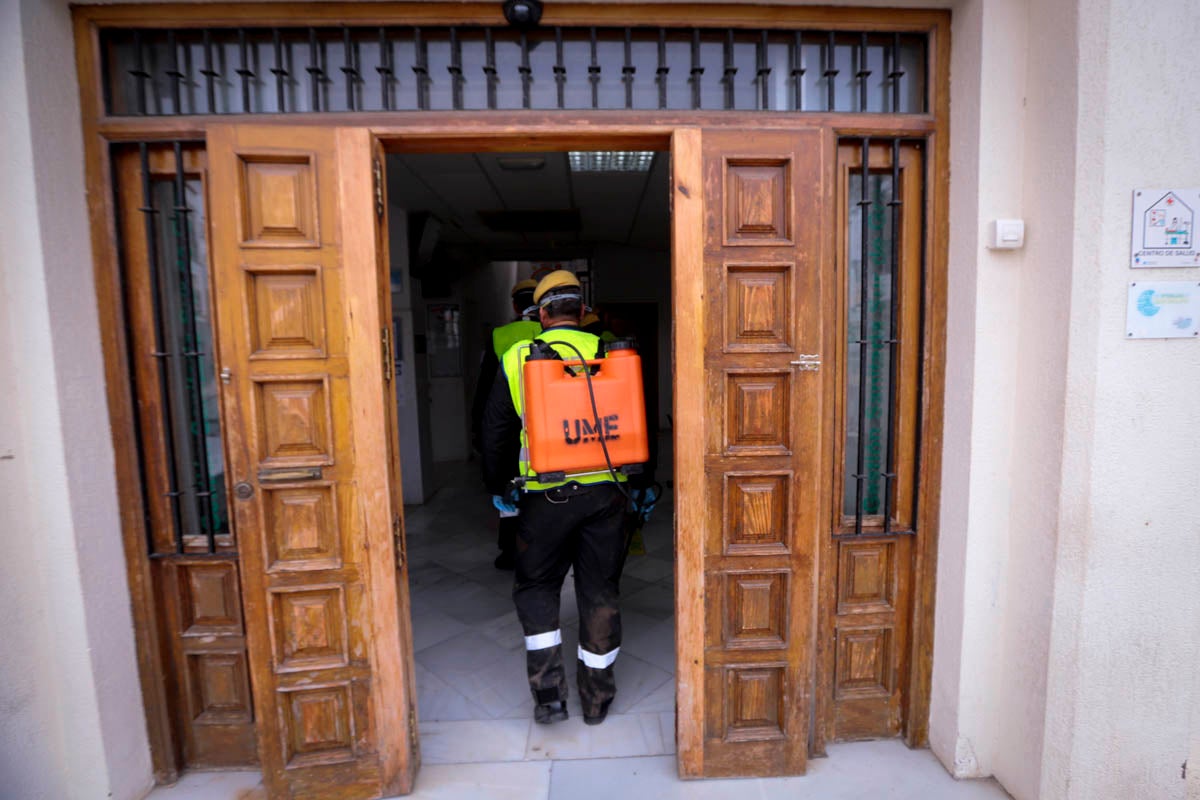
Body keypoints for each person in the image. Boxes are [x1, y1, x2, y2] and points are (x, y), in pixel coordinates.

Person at [480, 270, 627, 726]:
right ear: (582, 313)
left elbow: (496, 433)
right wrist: (641, 488)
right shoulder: (610, 352)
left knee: (538, 588)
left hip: (546, 499)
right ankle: (597, 698)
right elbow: (633, 421)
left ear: (541, 314)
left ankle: (549, 695)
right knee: (599, 591)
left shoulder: (518, 356)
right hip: (607, 495)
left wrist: (498, 486)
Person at [470, 278, 541, 569]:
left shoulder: (500, 335)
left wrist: (479, 429)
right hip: (545, 424)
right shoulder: (548, 331)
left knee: (510, 486)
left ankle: (511, 550)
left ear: (514, 305)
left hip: (508, 426)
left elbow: (486, 388)